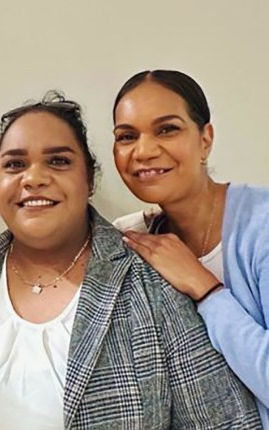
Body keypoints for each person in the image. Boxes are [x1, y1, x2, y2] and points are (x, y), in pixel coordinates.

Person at [0, 91, 261, 429]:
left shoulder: (150, 281)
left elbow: (227, 422)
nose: (33, 179)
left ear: (89, 179)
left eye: (58, 161)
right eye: (15, 164)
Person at [112, 69, 269, 428]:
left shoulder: (261, 223)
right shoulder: (136, 240)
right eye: (127, 136)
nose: (145, 150)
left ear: (205, 139)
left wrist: (207, 290)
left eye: (167, 129)